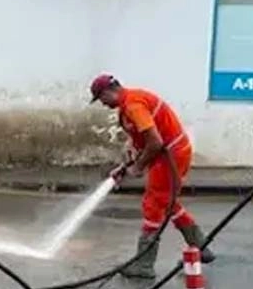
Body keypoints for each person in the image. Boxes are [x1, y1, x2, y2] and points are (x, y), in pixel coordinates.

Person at [90, 73, 214, 278]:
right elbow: (144, 137)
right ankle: (201, 247)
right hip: (172, 153)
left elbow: (155, 142)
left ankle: (144, 265)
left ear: (108, 91)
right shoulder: (130, 102)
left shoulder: (133, 105)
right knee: (167, 202)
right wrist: (126, 164)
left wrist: (138, 167)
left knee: (154, 204)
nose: (102, 104)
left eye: (101, 98)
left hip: (170, 156)